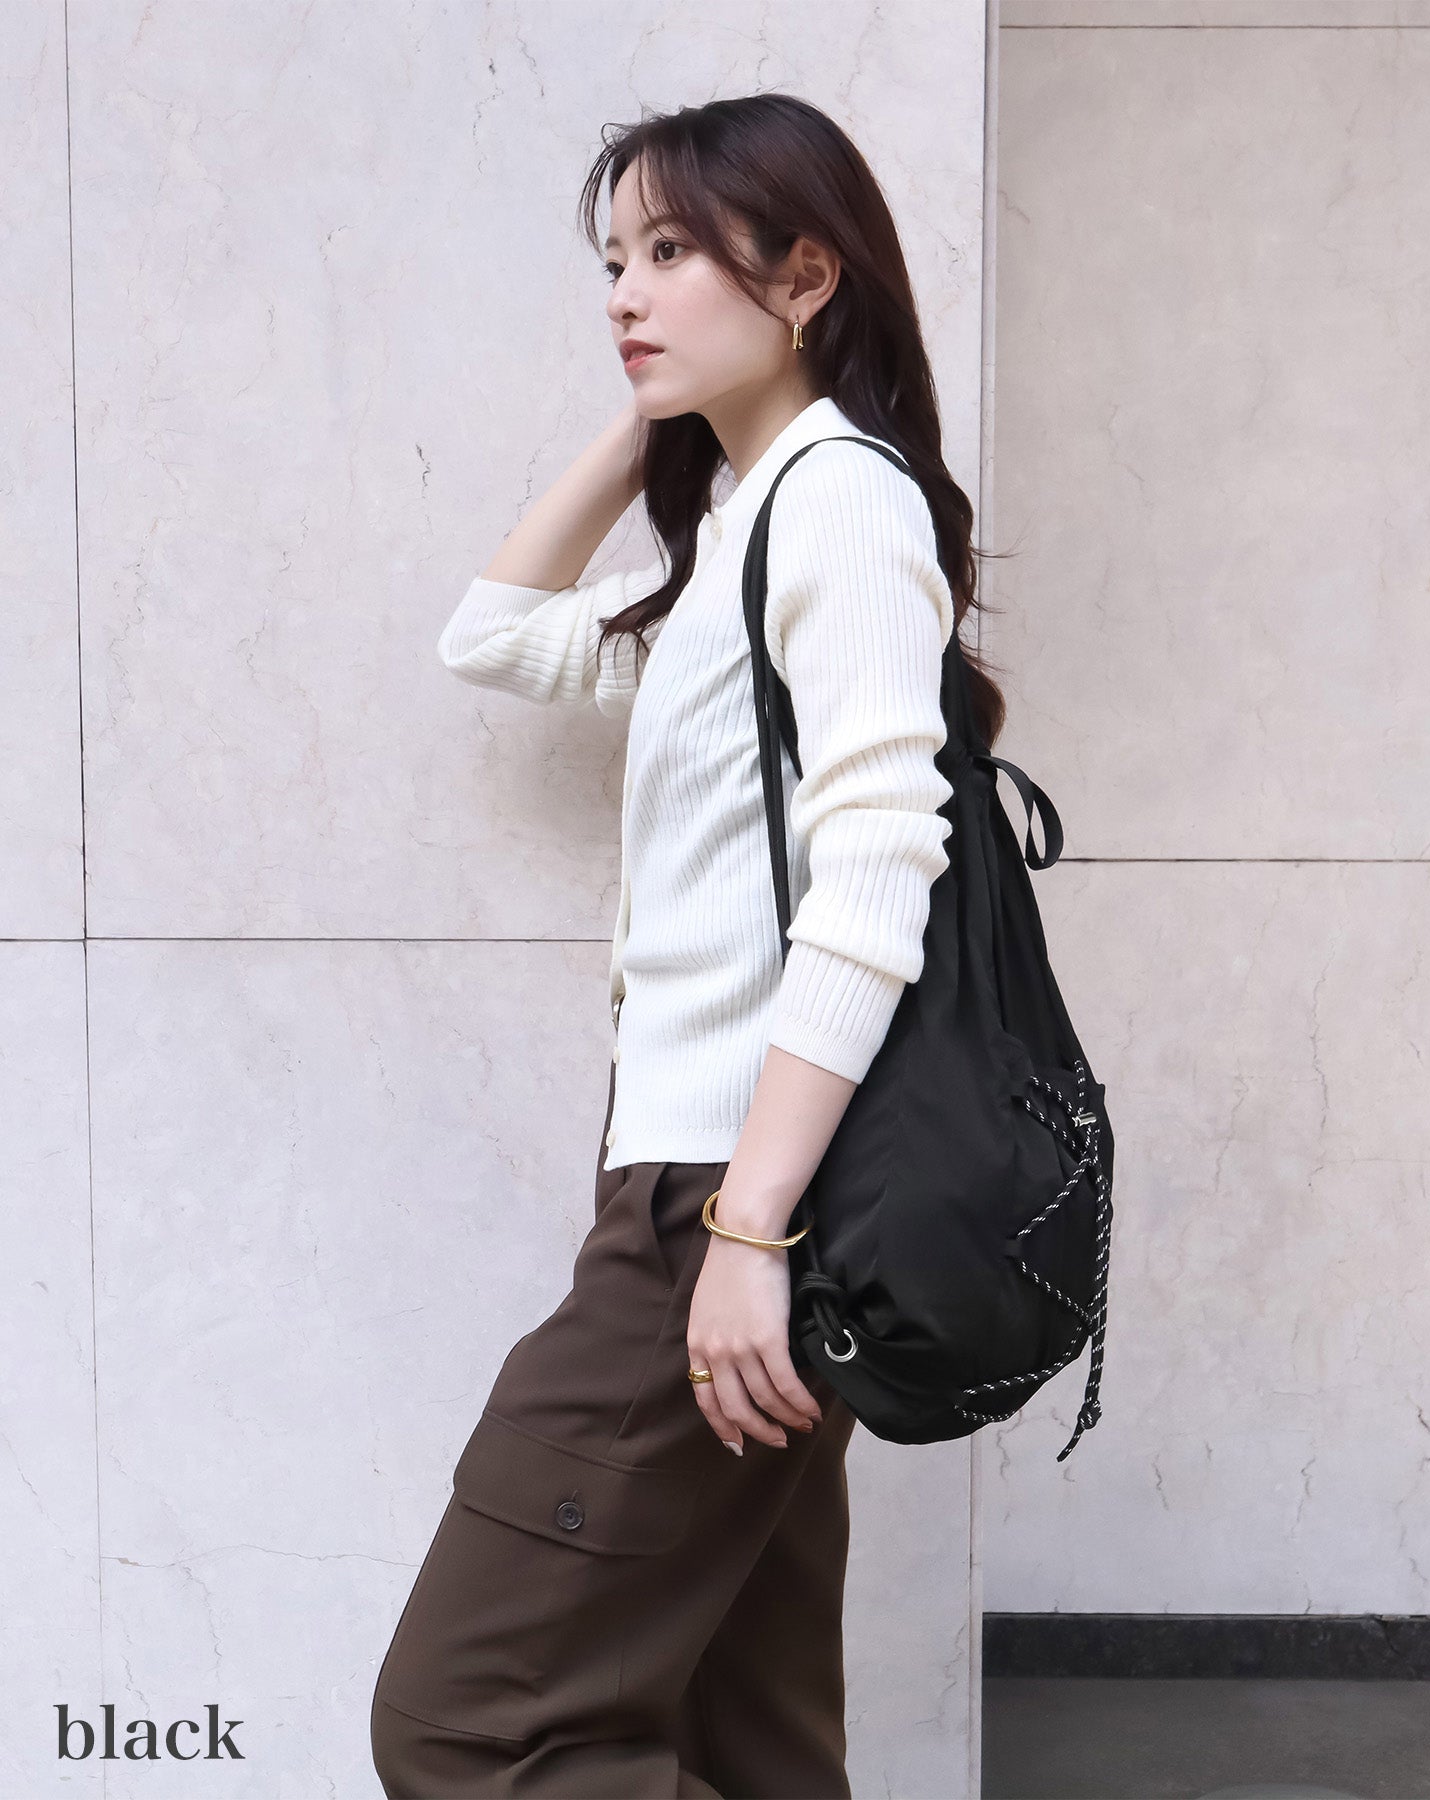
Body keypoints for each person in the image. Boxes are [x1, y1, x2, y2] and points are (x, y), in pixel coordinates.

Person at [370, 91, 1006, 1800]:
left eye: (669, 253)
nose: (625, 295)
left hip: (725, 1199)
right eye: (612, 262)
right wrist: (656, 413)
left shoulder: (839, 502)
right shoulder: (744, 524)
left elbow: (876, 874)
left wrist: (747, 1228)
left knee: (466, 1727)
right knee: (751, 1733)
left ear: (808, 277)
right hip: (713, 1191)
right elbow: (495, 636)